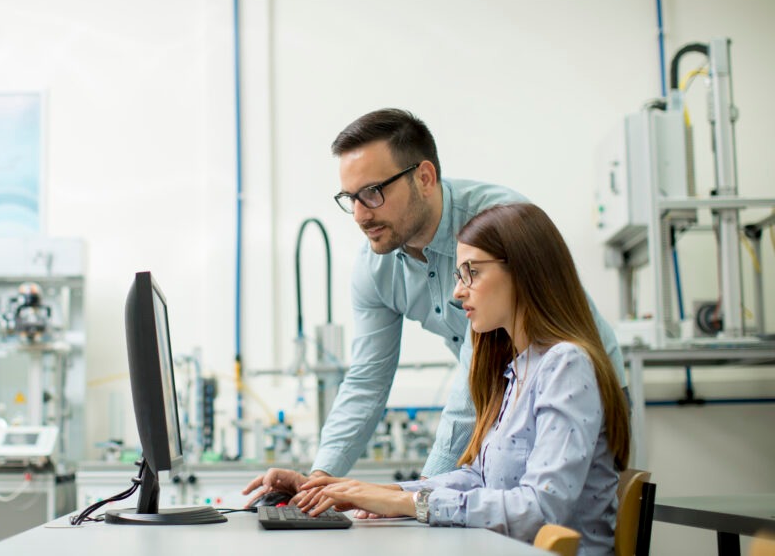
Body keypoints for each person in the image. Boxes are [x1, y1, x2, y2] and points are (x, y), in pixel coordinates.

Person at [243, 108, 626, 497]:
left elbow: (474, 369)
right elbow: (367, 379)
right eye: (350, 198)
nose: (359, 214)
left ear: (424, 177)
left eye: (373, 193)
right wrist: (319, 478)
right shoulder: (375, 265)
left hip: (582, 391)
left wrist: (420, 497)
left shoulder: (497, 223)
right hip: (505, 403)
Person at [262, 203, 631, 556]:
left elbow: (538, 509)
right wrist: (367, 491)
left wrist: (407, 502)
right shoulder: (519, 369)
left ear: (524, 270)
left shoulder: (566, 365)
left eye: (472, 271)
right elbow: (478, 479)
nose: (458, 291)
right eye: (458, 274)